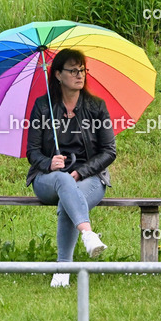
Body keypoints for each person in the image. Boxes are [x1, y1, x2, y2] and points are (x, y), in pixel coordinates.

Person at [26, 48, 116, 287]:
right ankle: (88, 233)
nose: (80, 75)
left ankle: (63, 270)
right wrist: (48, 163)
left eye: (82, 70)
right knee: (64, 182)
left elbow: (109, 151)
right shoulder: (42, 107)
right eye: (73, 70)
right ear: (58, 75)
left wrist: (81, 172)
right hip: (48, 179)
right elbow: (32, 151)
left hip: (90, 177)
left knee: (70, 197)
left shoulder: (96, 107)